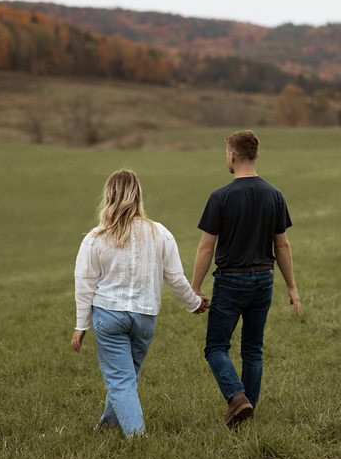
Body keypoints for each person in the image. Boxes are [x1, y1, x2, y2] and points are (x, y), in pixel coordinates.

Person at [71, 169, 208, 437]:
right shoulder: (160, 233)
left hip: (109, 315)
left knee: (121, 378)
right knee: (126, 376)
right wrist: (193, 303)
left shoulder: (96, 238)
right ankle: (108, 425)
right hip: (145, 317)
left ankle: (137, 438)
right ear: (138, 196)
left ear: (108, 196)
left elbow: (84, 282)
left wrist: (80, 325)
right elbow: (175, 278)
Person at [192, 130, 303, 429]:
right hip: (264, 280)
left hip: (231, 281)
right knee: (253, 348)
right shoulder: (274, 195)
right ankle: (246, 409)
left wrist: (195, 288)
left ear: (231, 155)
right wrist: (292, 287)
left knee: (215, 347)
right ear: (256, 154)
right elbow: (282, 245)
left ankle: (237, 398)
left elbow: (206, 247)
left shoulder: (221, 197)